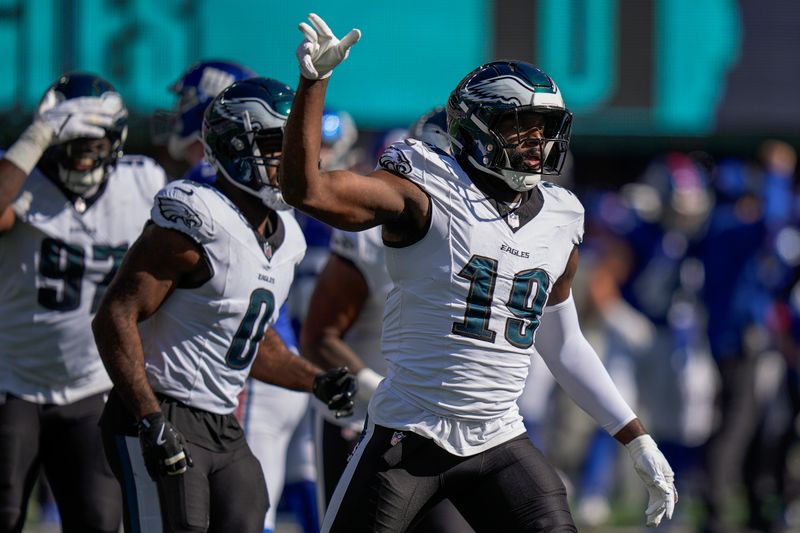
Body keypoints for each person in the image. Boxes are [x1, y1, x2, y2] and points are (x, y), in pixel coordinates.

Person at [280, 14, 678, 532]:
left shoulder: (561, 218)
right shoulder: (424, 188)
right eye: (521, 125)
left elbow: (563, 343)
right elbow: (306, 190)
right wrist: (313, 85)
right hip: (409, 432)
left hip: (497, 436)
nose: (538, 140)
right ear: (475, 127)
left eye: (546, 127)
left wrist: (635, 436)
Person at [92, 76, 357, 533]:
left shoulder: (288, 235)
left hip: (222, 420)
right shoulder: (197, 216)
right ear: (236, 145)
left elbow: (250, 337)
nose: (294, 156)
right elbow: (115, 315)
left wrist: (314, 380)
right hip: (161, 408)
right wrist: (148, 416)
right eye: (278, 143)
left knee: (249, 513)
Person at [157, 59, 320, 533]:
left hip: (238, 368)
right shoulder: (265, 199)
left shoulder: (210, 184)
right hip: (272, 356)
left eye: (187, 101)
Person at [0, 72, 167, 532]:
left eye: (94, 143)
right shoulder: (19, 179)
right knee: (5, 513)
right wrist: (38, 134)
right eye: (70, 142)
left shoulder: (142, 182)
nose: (83, 156)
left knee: (98, 519)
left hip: (93, 385)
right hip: (12, 381)